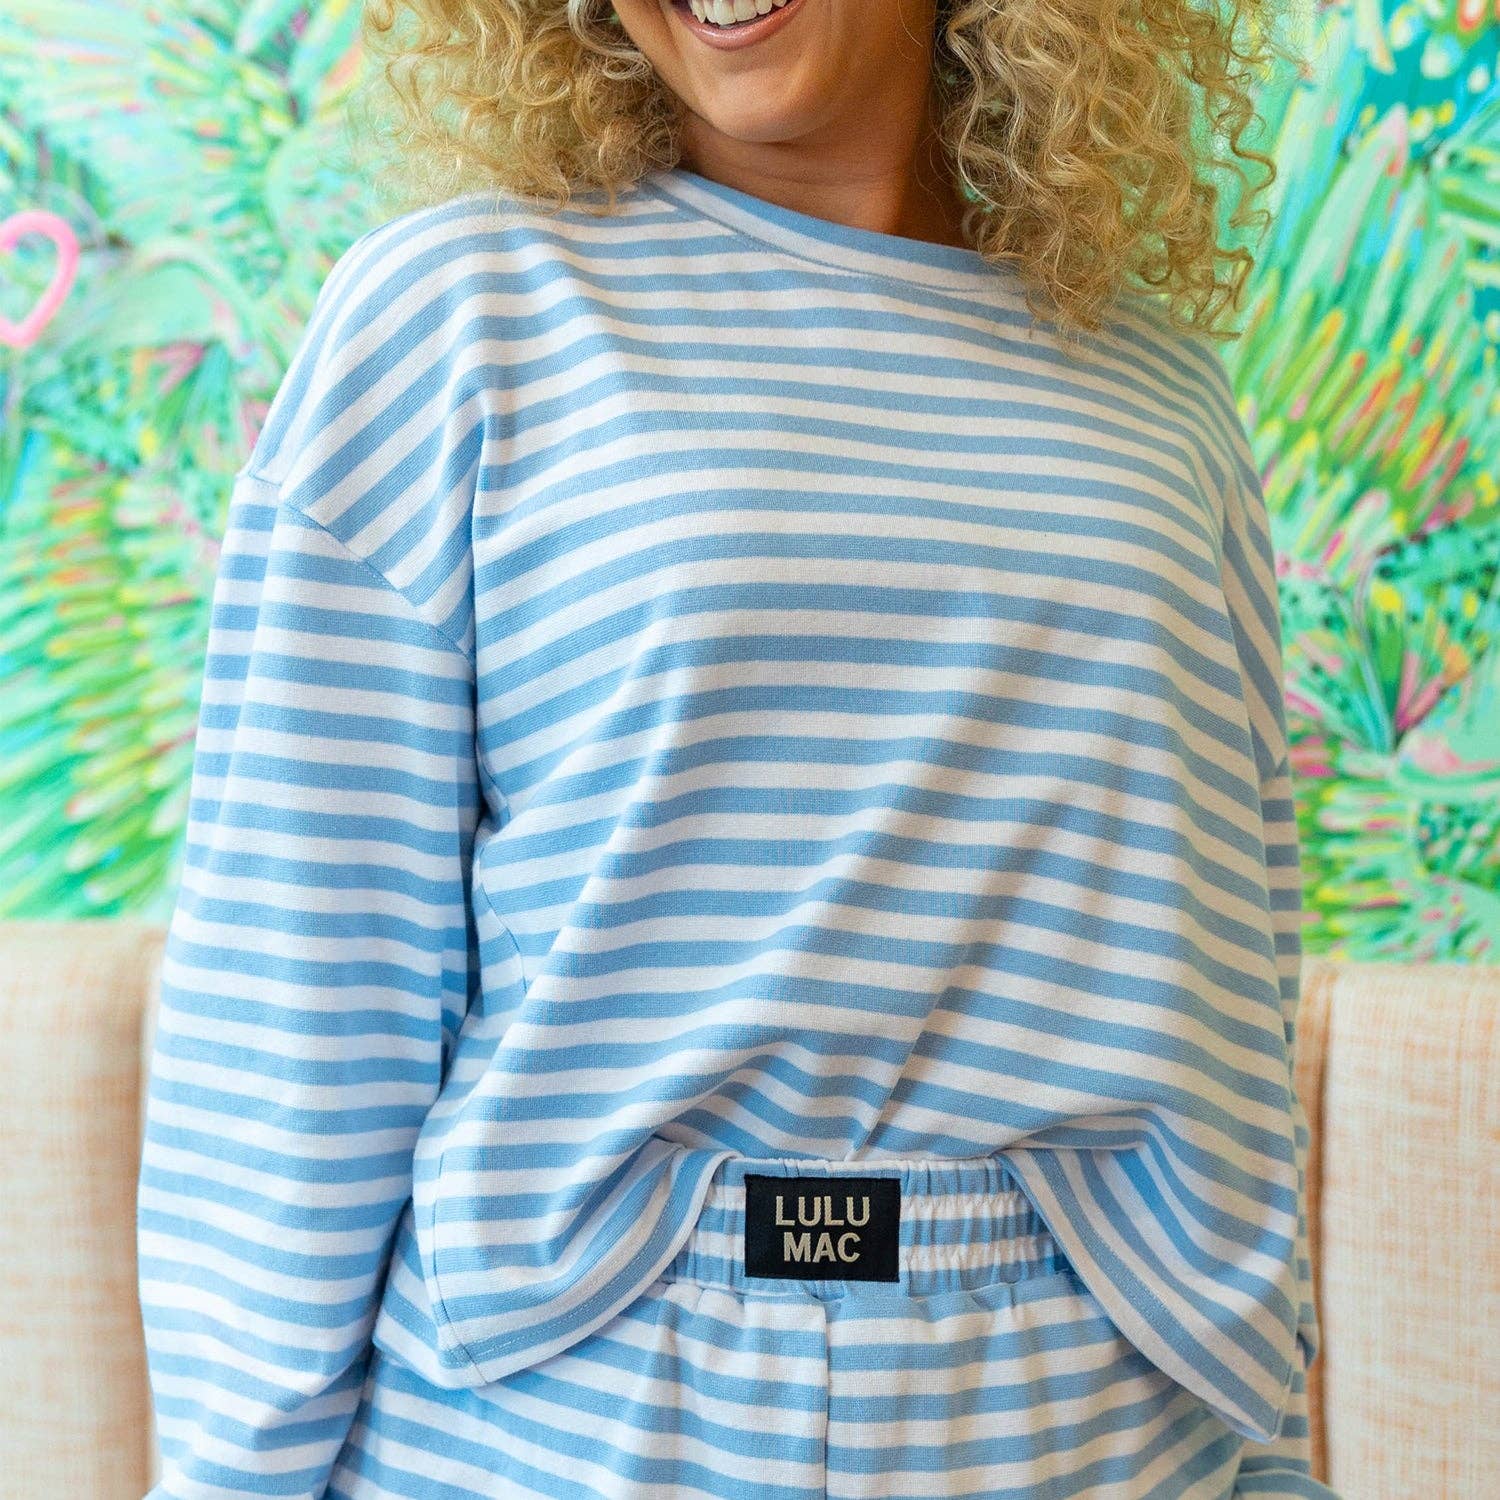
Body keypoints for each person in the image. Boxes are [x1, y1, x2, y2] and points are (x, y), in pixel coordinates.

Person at [136, 1, 1338, 1496]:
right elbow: (298, 992)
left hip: (1087, 1428)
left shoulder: (1164, 407)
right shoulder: (457, 316)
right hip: (562, 1429)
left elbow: (1229, 990)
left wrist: (1273, 1458)